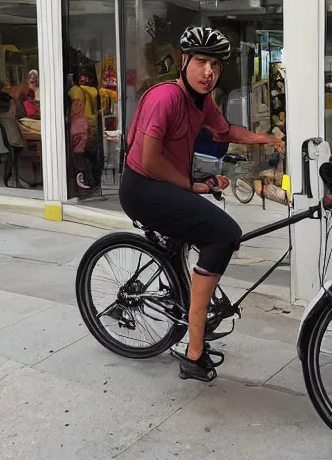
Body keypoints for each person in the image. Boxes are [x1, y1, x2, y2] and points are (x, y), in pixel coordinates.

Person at [119, 26, 283, 382]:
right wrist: (193, 186)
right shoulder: (165, 98)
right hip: (143, 187)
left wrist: (265, 138)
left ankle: (185, 300)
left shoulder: (202, 101)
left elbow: (224, 131)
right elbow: (149, 161)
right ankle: (194, 351)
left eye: (216, 65)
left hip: (166, 182)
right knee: (223, 233)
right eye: (202, 62)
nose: (209, 72)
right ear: (184, 62)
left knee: (202, 226)